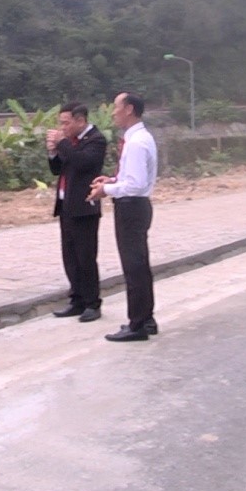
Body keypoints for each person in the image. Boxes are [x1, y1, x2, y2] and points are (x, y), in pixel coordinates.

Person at [87, 92, 158, 342]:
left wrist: (105, 190)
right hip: (136, 206)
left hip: (131, 207)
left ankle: (137, 324)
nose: (113, 112)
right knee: (139, 265)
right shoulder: (138, 138)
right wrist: (112, 180)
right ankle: (146, 319)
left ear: (128, 109)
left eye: (116, 107)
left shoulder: (136, 142)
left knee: (134, 267)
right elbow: (131, 178)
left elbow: (136, 185)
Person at [46, 102, 107, 322]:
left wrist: (62, 143)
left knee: (85, 257)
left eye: (66, 123)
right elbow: (57, 169)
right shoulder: (70, 142)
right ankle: (76, 300)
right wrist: (53, 152)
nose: (63, 128)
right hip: (66, 206)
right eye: (61, 123)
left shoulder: (95, 140)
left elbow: (82, 163)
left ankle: (92, 303)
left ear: (80, 120)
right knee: (70, 256)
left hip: (84, 207)